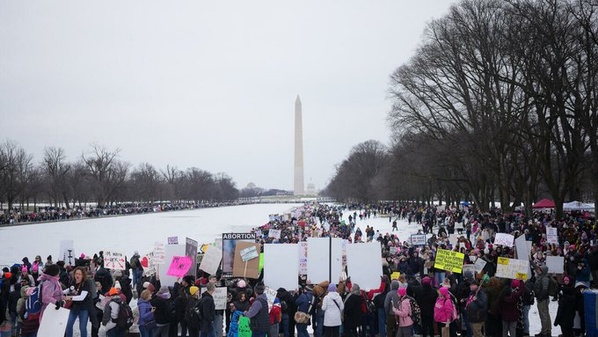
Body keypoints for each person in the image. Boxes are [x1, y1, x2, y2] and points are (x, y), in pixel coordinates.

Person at [65, 266, 93, 337]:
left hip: (84, 308)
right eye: (76, 273)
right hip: (74, 307)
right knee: (69, 324)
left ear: (83, 275)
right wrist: (60, 293)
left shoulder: (86, 283)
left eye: (79, 274)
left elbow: (82, 297)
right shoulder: (73, 282)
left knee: (82, 327)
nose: (77, 275)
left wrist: (70, 297)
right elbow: (69, 289)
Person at [533, 266, 551, 337]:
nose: (538, 270)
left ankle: (544, 332)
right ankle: (547, 331)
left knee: (544, 316)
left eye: (540, 270)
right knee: (546, 315)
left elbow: (545, 290)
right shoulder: (541, 277)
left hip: (543, 299)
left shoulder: (544, 278)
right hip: (542, 298)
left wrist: (540, 297)